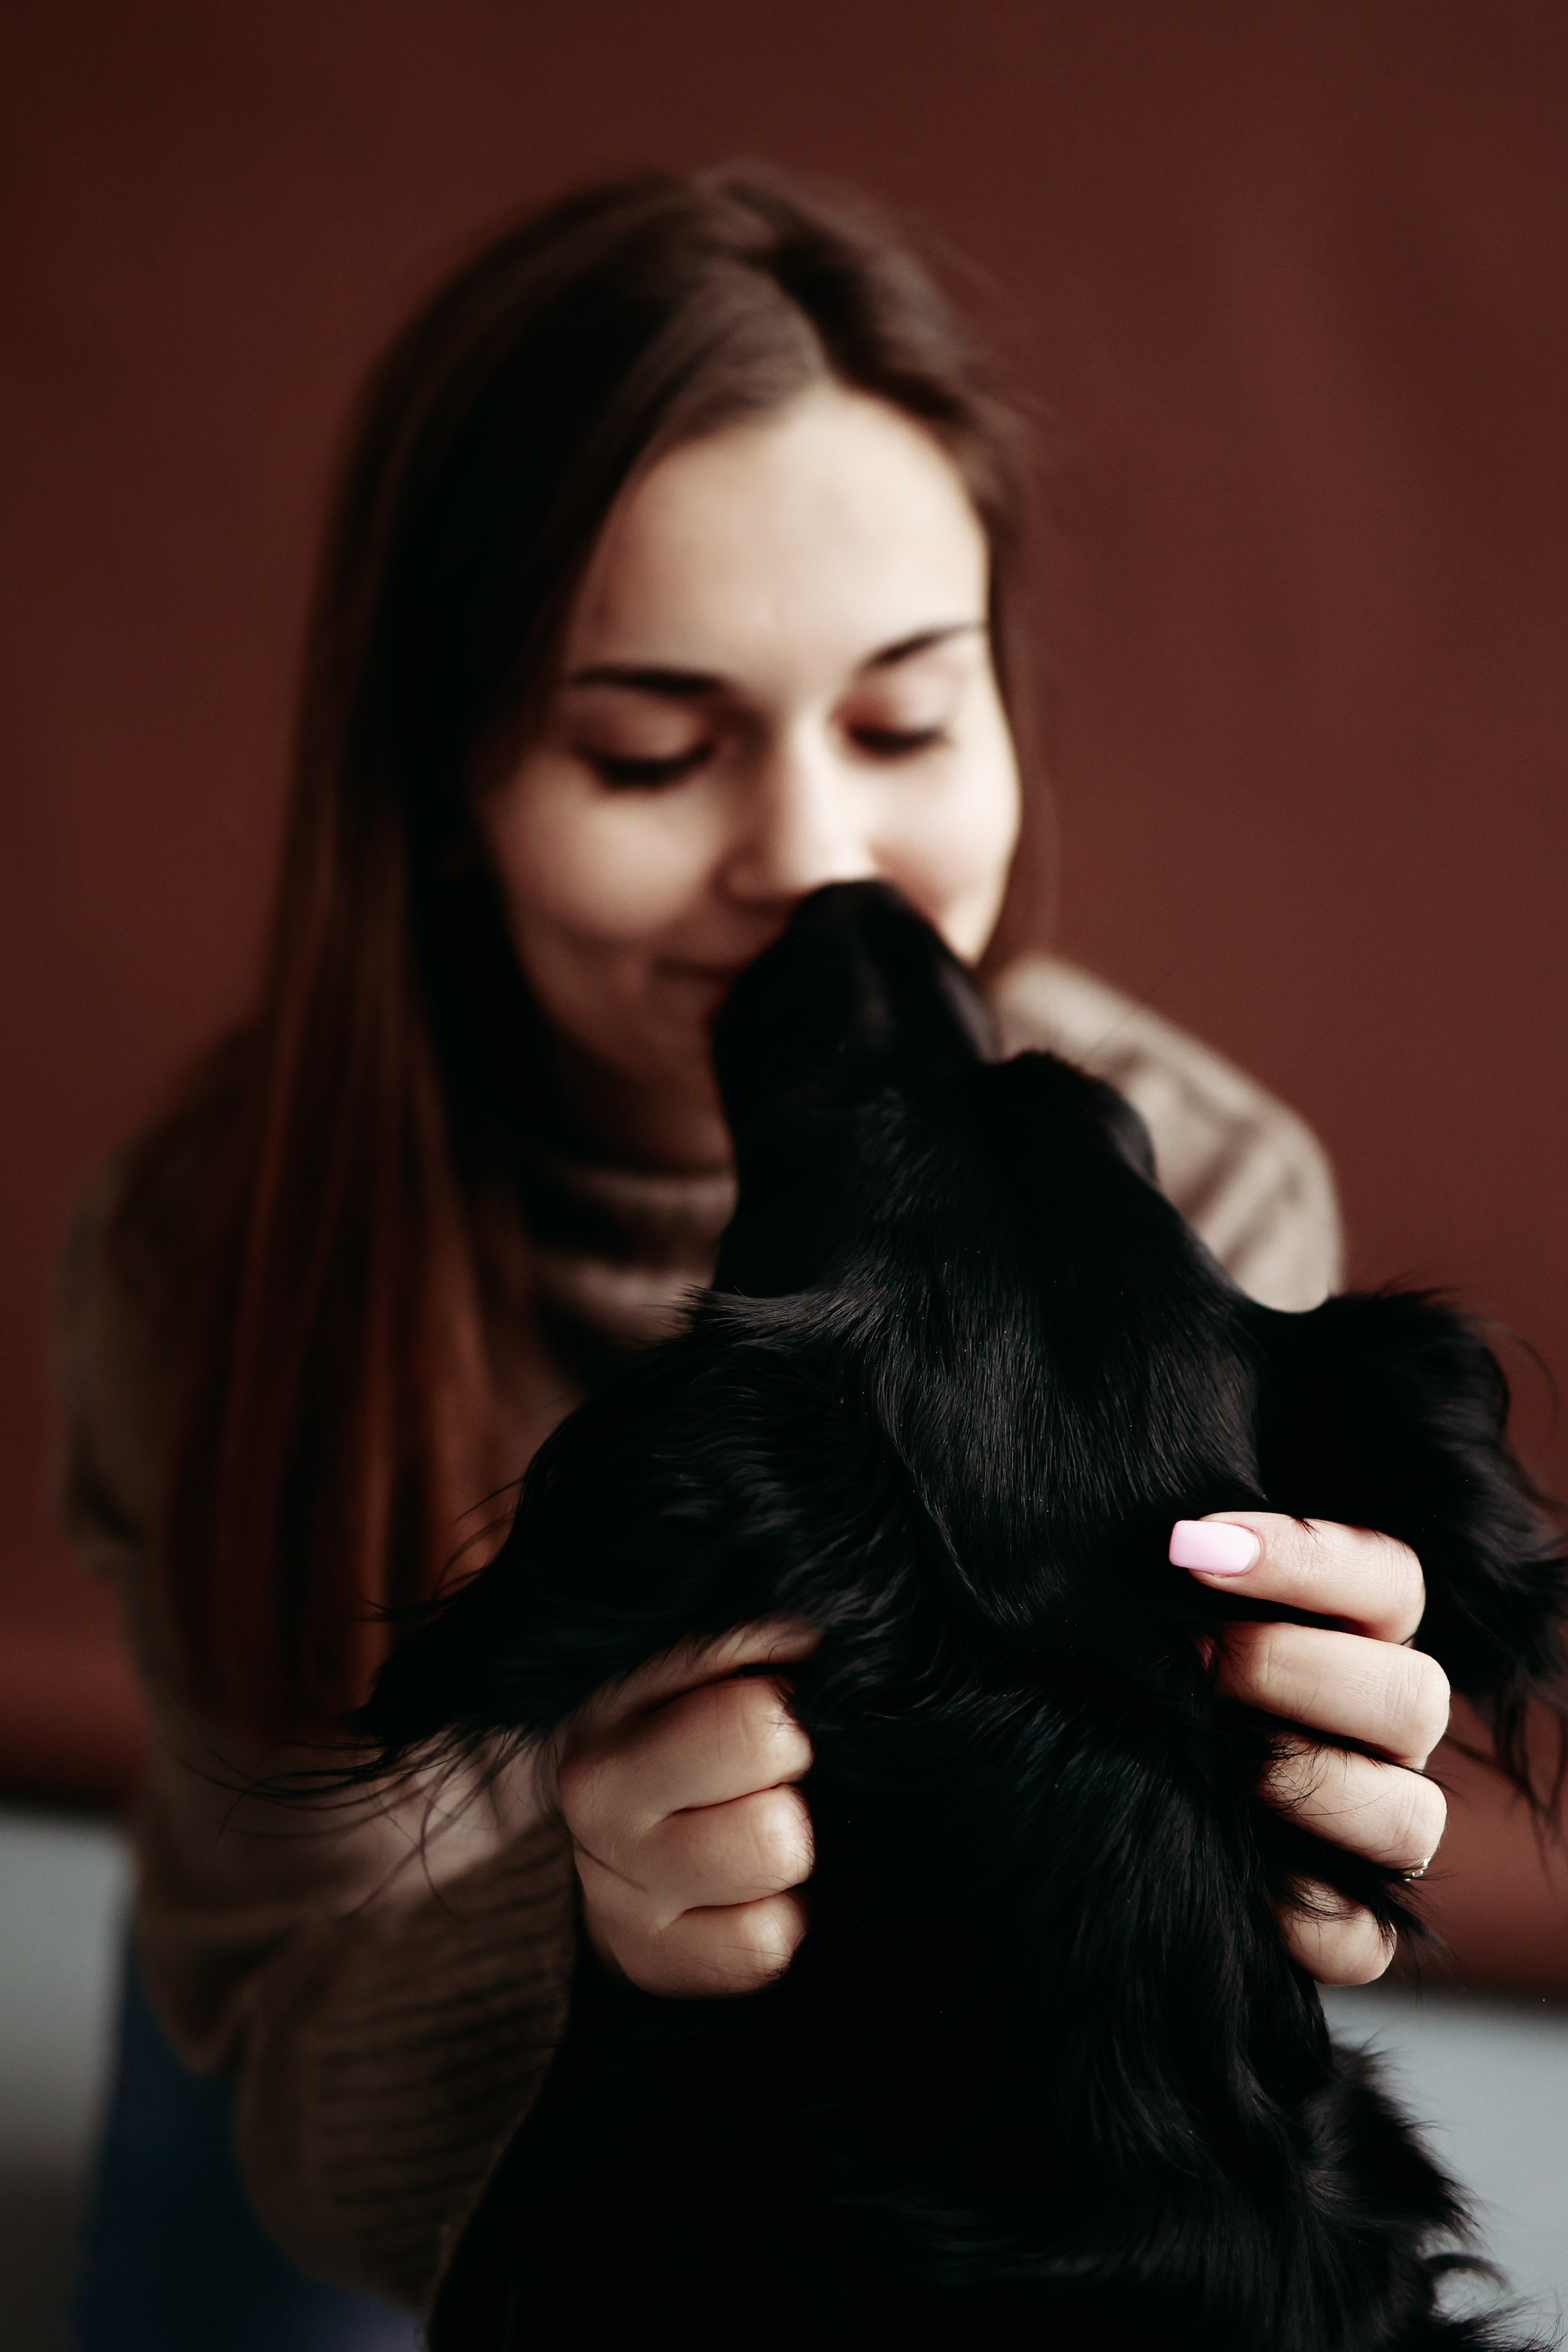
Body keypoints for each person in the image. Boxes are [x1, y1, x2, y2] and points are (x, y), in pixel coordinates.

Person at [56, 165, 1524, 2339]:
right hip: (336, 2013)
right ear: (446, 785)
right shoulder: (226, 1260)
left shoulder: (1200, 1188)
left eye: (906, 721)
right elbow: (321, 2120)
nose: (817, 863)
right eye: (651, 750)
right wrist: (580, 1923)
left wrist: (1291, 1836)